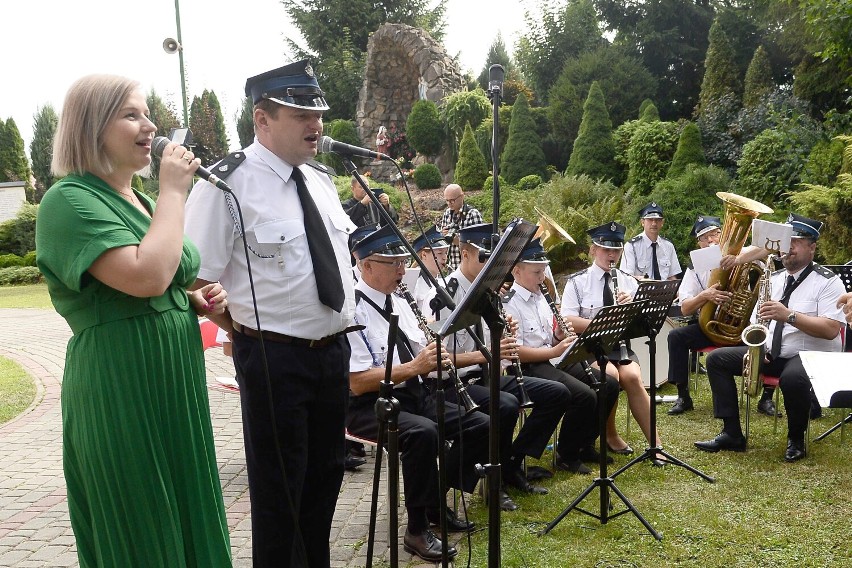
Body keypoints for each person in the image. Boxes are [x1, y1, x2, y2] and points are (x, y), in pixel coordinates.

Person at [35, 74, 231, 566]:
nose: (150, 125)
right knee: (141, 524)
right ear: (91, 126)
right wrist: (173, 192)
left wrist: (194, 298)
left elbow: (165, 280)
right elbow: (145, 275)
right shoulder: (68, 200)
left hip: (174, 384)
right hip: (121, 384)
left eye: (147, 113)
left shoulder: (139, 201)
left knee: (186, 511)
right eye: (131, 115)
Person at [184, 60, 358, 567]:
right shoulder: (226, 184)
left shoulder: (321, 181)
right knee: (280, 496)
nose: (316, 125)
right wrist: (244, 332)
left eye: (319, 113)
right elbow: (194, 276)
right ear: (262, 119)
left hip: (333, 352)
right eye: (301, 113)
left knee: (325, 485)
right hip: (274, 358)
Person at [347, 224, 490, 562]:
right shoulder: (351, 309)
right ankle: (415, 529)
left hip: (414, 394)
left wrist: (434, 352)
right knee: (423, 433)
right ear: (366, 265)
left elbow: (419, 350)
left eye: (402, 262)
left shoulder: (400, 300)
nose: (402, 270)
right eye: (393, 263)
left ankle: (434, 502)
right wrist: (415, 367)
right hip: (371, 404)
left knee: (480, 423)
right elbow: (357, 382)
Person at [694, 213, 846, 462]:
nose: (788, 249)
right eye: (786, 242)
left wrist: (789, 316)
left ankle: (796, 438)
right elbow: (758, 323)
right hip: (773, 352)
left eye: (796, 242)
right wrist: (757, 349)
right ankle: (731, 433)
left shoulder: (829, 282)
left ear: (812, 247)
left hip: (811, 356)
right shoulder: (772, 279)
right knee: (716, 360)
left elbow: (830, 329)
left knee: (792, 378)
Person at [500, 234, 620, 475]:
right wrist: (554, 349)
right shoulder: (509, 303)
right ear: (517, 271)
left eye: (543, 272)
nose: (542, 278)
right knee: (584, 395)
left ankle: (583, 444)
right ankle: (566, 454)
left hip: (551, 359)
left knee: (609, 384)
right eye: (536, 273)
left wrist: (557, 335)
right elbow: (515, 352)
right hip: (528, 366)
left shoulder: (541, 297)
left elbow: (550, 338)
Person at [561, 222, 665, 464]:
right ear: (592, 250)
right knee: (611, 376)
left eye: (616, 250)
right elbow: (566, 319)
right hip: (588, 347)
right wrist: (604, 323)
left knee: (632, 377)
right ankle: (610, 434)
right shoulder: (577, 282)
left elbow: (643, 320)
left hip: (620, 347)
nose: (611, 255)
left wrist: (630, 309)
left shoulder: (628, 281)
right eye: (605, 250)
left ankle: (655, 444)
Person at [666, 215, 729, 415]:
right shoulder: (693, 269)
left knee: (764, 336)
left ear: (722, 236)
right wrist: (705, 295)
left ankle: (766, 397)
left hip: (736, 326)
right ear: (698, 243)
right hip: (708, 325)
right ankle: (683, 396)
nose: (711, 241)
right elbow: (685, 308)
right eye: (705, 238)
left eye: (715, 235)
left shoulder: (738, 261)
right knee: (676, 337)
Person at [621, 202, 682, 280]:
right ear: (642, 222)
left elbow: (672, 276)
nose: (654, 223)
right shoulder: (632, 246)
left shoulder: (668, 246)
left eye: (657, 220)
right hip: (641, 290)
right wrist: (643, 279)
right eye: (650, 220)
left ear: (662, 223)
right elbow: (626, 277)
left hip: (665, 291)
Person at [439, 183, 483, 271]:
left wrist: (459, 242)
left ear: (462, 196)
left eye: (452, 200)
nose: (449, 204)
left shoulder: (473, 214)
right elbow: (443, 243)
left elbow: (479, 246)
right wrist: (442, 236)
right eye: (447, 201)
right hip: (452, 267)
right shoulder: (447, 214)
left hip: (469, 269)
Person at [411, 224, 449, 310]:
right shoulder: (414, 283)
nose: (444, 257)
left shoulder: (443, 280)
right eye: (439, 253)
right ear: (424, 255)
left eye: (446, 253)